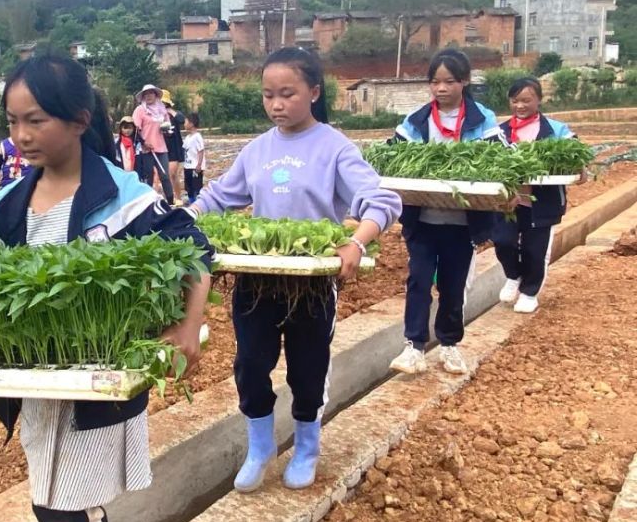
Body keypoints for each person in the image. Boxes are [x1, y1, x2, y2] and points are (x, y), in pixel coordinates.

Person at [0, 55, 211, 522]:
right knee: (64, 496)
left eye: (35, 120)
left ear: (78, 120)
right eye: (11, 122)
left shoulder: (122, 196)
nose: (20, 135)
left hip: (95, 377)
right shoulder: (11, 201)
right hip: (34, 381)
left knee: (59, 500)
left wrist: (187, 326)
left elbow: (194, 249)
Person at [192, 47, 400, 493]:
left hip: (312, 285)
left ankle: (306, 446)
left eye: (287, 93)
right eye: (268, 95)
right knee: (250, 364)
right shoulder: (256, 150)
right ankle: (260, 445)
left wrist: (356, 241)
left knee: (307, 368)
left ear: (314, 92)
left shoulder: (334, 147)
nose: (276, 104)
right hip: (257, 280)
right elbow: (216, 199)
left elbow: (382, 200)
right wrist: (183, 219)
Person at [387, 49, 503, 376]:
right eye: (435, 82)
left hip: (462, 224)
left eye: (449, 81)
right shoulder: (416, 121)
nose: (441, 88)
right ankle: (414, 346)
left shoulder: (483, 120)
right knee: (419, 281)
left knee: (452, 286)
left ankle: (450, 346)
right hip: (423, 221)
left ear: (464, 81)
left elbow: (499, 159)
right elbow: (389, 154)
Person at [494, 77, 577, 314]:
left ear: (539, 100)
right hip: (509, 201)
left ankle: (530, 292)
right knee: (502, 241)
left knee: (535, 249)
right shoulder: (500, 132)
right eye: (515, 101)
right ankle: (514, 275)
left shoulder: (555, 130)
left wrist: (580, 167)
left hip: (541, 203)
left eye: (526, 100)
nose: (520, 106)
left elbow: (574, 152)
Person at [131, 84, 175, 204]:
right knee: (148, 176)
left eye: (151, 93)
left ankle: (171, 202)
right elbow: (135, 130)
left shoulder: (162, 110)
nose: (149, 96)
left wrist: (167, 131)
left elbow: (168, 129)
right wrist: (144, 143)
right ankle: (148, 204)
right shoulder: (140, 111)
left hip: (161, 148)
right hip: (146, 149)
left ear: (156, 95)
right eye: (146, 94)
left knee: (165, 176)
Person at [162, 90, 186, 205]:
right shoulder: (155, 114)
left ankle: (178, 197)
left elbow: (182, 120)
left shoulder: (174, 114)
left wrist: (170, 111)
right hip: (161, 146)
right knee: (162, 175)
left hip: (174, 148)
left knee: (172, 173)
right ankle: (168, 197)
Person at [182, 112, 205, 203]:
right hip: (187, 166)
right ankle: (191, 201)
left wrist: (199, 164)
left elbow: (201, 150)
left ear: (191, 124)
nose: (184, 124)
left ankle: (199, 203)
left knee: (196, 186)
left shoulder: (197, 137)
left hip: (195, 167)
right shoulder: (187, 137)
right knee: (188, 186)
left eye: (185, 122)